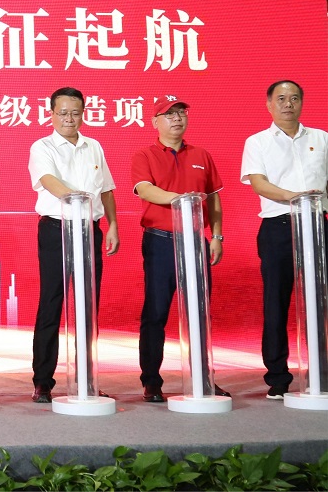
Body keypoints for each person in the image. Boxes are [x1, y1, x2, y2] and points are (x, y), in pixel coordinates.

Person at [131, 94, 230, 402]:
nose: (177, 118)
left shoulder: (201, 154)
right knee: (156, 311)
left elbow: (213, 198)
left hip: (195, 241)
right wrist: (180, 199)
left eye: (181, 113)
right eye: (169, 114)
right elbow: (145, 190)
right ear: (155, 122)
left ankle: (203, 378)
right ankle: (151, 380)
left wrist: (217, 236)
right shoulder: (144, 155)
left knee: (199, 312)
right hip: (160, 241)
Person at [28, 86, 119, 403]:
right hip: (56, 229)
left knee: (88, 306)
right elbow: (48, 181)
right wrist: (75, 197)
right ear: (52, 114)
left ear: (83, 113)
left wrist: (112, 225)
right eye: (63, 112)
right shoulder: (42, 146)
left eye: (75, 113)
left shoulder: (94, 146)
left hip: (90, 230)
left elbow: (106, 189)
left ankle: (86, 379)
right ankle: (43, 381)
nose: (69, 118)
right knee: (51, 303)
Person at [241, 80, 328, 399]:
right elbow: (259, 183)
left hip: (317, 224)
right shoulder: (258, 142)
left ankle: (321, 371)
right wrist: (296, 197)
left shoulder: (321, 138)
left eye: (294, 98)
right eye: (281, 99)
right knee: (276, 301)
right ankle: (278, 376)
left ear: (302, 102)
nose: (288, 104)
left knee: (321, 301)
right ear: (269, 104)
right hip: (278, 226)